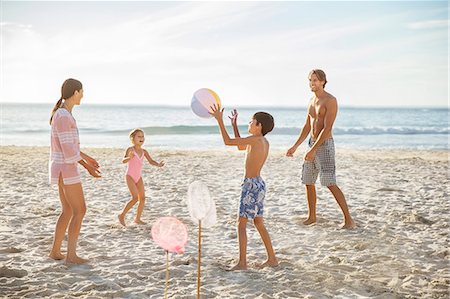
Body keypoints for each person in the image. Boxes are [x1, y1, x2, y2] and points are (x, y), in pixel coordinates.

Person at [210, 105, 278, 271]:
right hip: (259, 184)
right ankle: (272, 259)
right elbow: (241, 146)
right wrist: (234, 125)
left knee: (241, 223)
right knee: (258, 222)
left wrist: (219, 120)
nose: (249, 123)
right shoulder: (262, 141)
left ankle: (242, 263)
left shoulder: (254, 140)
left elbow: (228, 142)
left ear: (259, 125)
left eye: (251, 121)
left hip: (250, 185)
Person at [286, 69, 356, 229]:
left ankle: (349, 220)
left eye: (315, 80)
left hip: (324, 145)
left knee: (329, 182)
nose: (312, 83)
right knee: (308, 181)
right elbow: (307, 126)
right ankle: (312, 217)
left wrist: (313, 150)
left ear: (323, 81)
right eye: (310, 80)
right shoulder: (311, 100)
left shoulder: (330, 100)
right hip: (311, 143)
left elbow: (327, 128)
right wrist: (295, 146)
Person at [48, 78, 101, 264]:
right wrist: (87, 167)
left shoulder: (64, 114)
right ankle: (71, 256)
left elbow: (69, 145)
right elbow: (68, 149)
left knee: (68, 210)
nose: (84, 95)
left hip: (64, 166)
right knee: (80, 210)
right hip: (65, 168)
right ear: (76, 92)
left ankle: (55, 252)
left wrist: (87, 158)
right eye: (82, 91)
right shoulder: (63, 115)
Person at [118, 129, 165, 226]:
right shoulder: (130, 149)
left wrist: (158, 165)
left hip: (138, 177)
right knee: (135, 198)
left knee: (142, 198)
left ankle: (137, 219)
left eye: (143, 137)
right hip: (130, 176)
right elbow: (123, 160)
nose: (141, 138)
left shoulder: (144, 151)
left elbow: (151, 161)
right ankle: (121, 215)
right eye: (139, 136)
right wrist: (129, 158)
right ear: (133, 138)